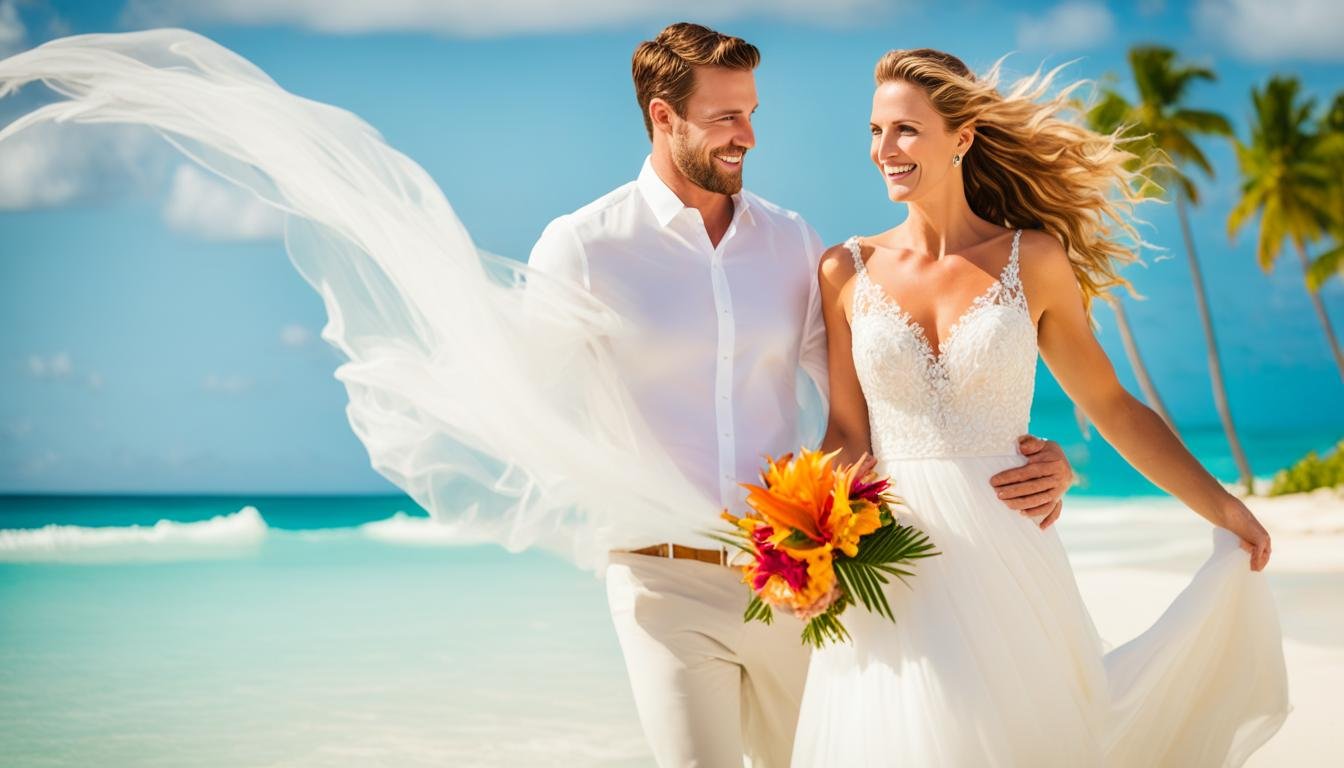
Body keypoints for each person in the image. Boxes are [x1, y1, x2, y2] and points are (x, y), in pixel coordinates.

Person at [528, 25, 1075, 768]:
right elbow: (539, 414)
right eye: (725, 117)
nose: (747, 136)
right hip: (660, 579)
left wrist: (1014, 455)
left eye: (751, 113)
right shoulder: (583, 248)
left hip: (798, 577)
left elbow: (876, 406)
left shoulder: (792, 243)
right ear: (664, 116)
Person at [790, 48, 1290, 767]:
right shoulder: (845, 268)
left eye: (904, 130)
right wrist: (813, 545)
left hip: (1007, 554)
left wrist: (1222, 506)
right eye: (874, 131)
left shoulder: (1033, 258)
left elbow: (1112, 405)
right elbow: (845, 429)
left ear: (961, 137)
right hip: (889, 557)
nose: (883, 150)